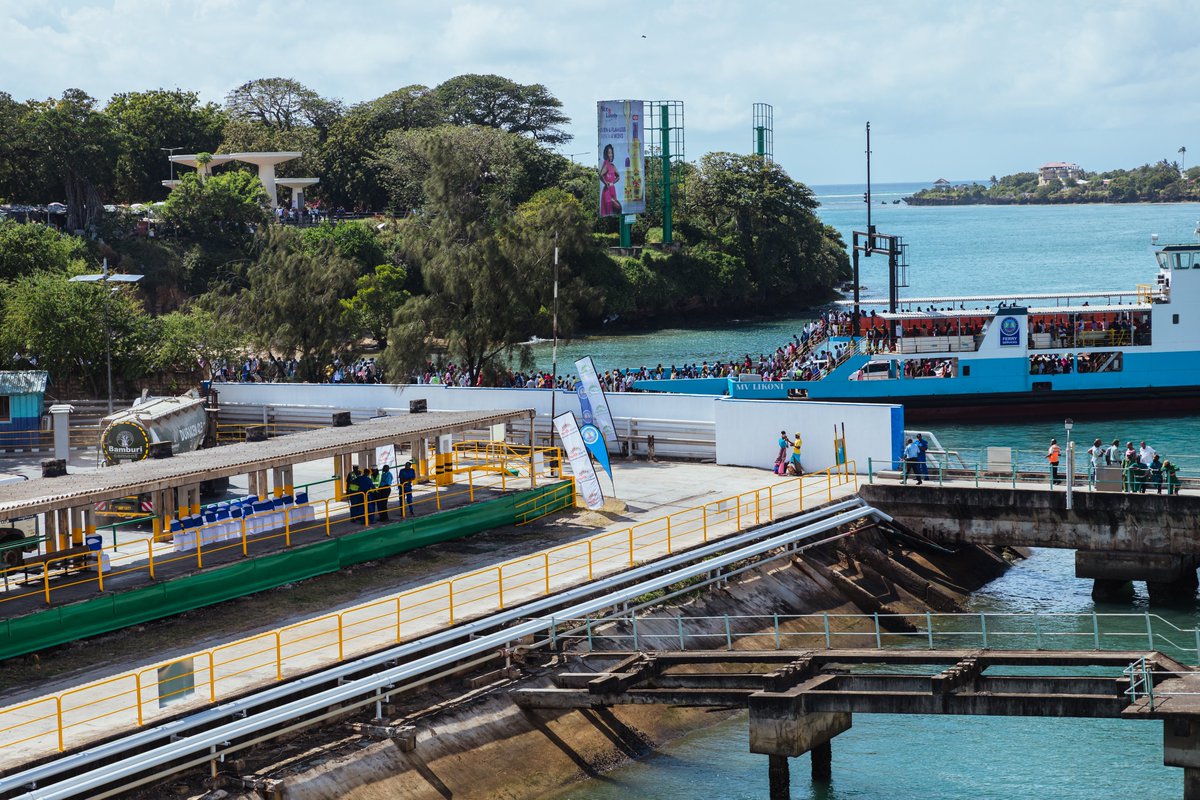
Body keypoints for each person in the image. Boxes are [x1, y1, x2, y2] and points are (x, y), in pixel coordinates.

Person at [599, 143, 622, 217]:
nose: (611, 155)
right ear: (606, 154)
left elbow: (618, 176)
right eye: (609, 153)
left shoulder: (612, 165)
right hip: (607, 191)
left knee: (615, 210)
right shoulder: (606, 164)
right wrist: (606, 183)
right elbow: (601, 175)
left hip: (612, 189)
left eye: (611, 153)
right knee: (610, 208)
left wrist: (612, 182)